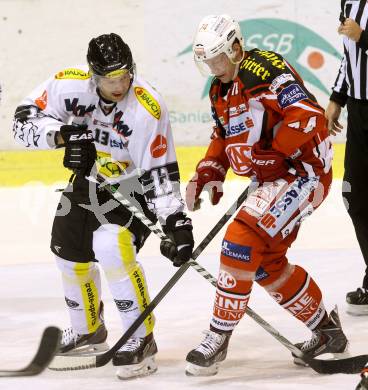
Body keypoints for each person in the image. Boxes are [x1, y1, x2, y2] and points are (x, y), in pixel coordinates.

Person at [13, 33, 194, 379]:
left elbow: (159, 170)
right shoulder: (70, 85)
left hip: (134, 187)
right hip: (91, 181)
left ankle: (141, 337)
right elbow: (22, 119)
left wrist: (175, 222)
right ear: (94, 76)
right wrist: (65, 136)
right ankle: (88, 330)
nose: (119, 84)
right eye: (110, 79)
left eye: (124, 75)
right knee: (67, 251)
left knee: (110, 247)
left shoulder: (146, 107)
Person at [184, 14, 348, 376]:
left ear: (236, 48)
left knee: (240, 240)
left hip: (302, 173)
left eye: (219, 58)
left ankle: (218, 335)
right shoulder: (219, 88)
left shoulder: (264, 71)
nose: (214, 67)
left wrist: (272, 153)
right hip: (275, 178)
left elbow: (308, 116)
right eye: (207, 62)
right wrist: (210, 169)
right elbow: (223, 135)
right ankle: (327, 331)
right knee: (264, 262)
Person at [325, 0, 368, 316]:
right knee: (355, 196)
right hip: (359, 113)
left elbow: (358, 41)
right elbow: (349, 56)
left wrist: (364, 36)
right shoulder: (349, 1)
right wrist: (336, 98)